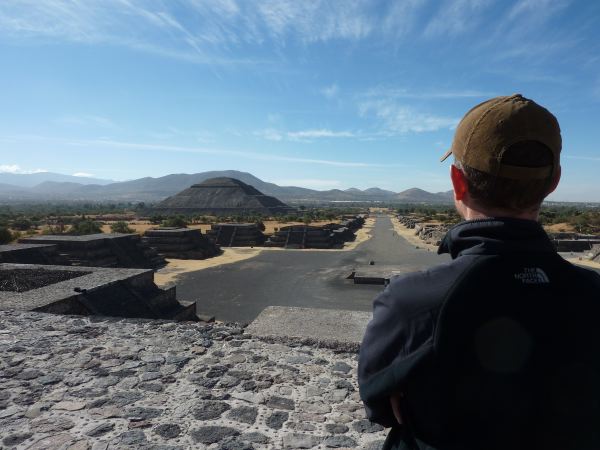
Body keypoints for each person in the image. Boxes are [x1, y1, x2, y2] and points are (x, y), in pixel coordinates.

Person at [358, 94, 600, 450]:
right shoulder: (592, 293)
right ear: (554, 182)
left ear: (458, 181)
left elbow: (377, 400)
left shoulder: (412, 302)